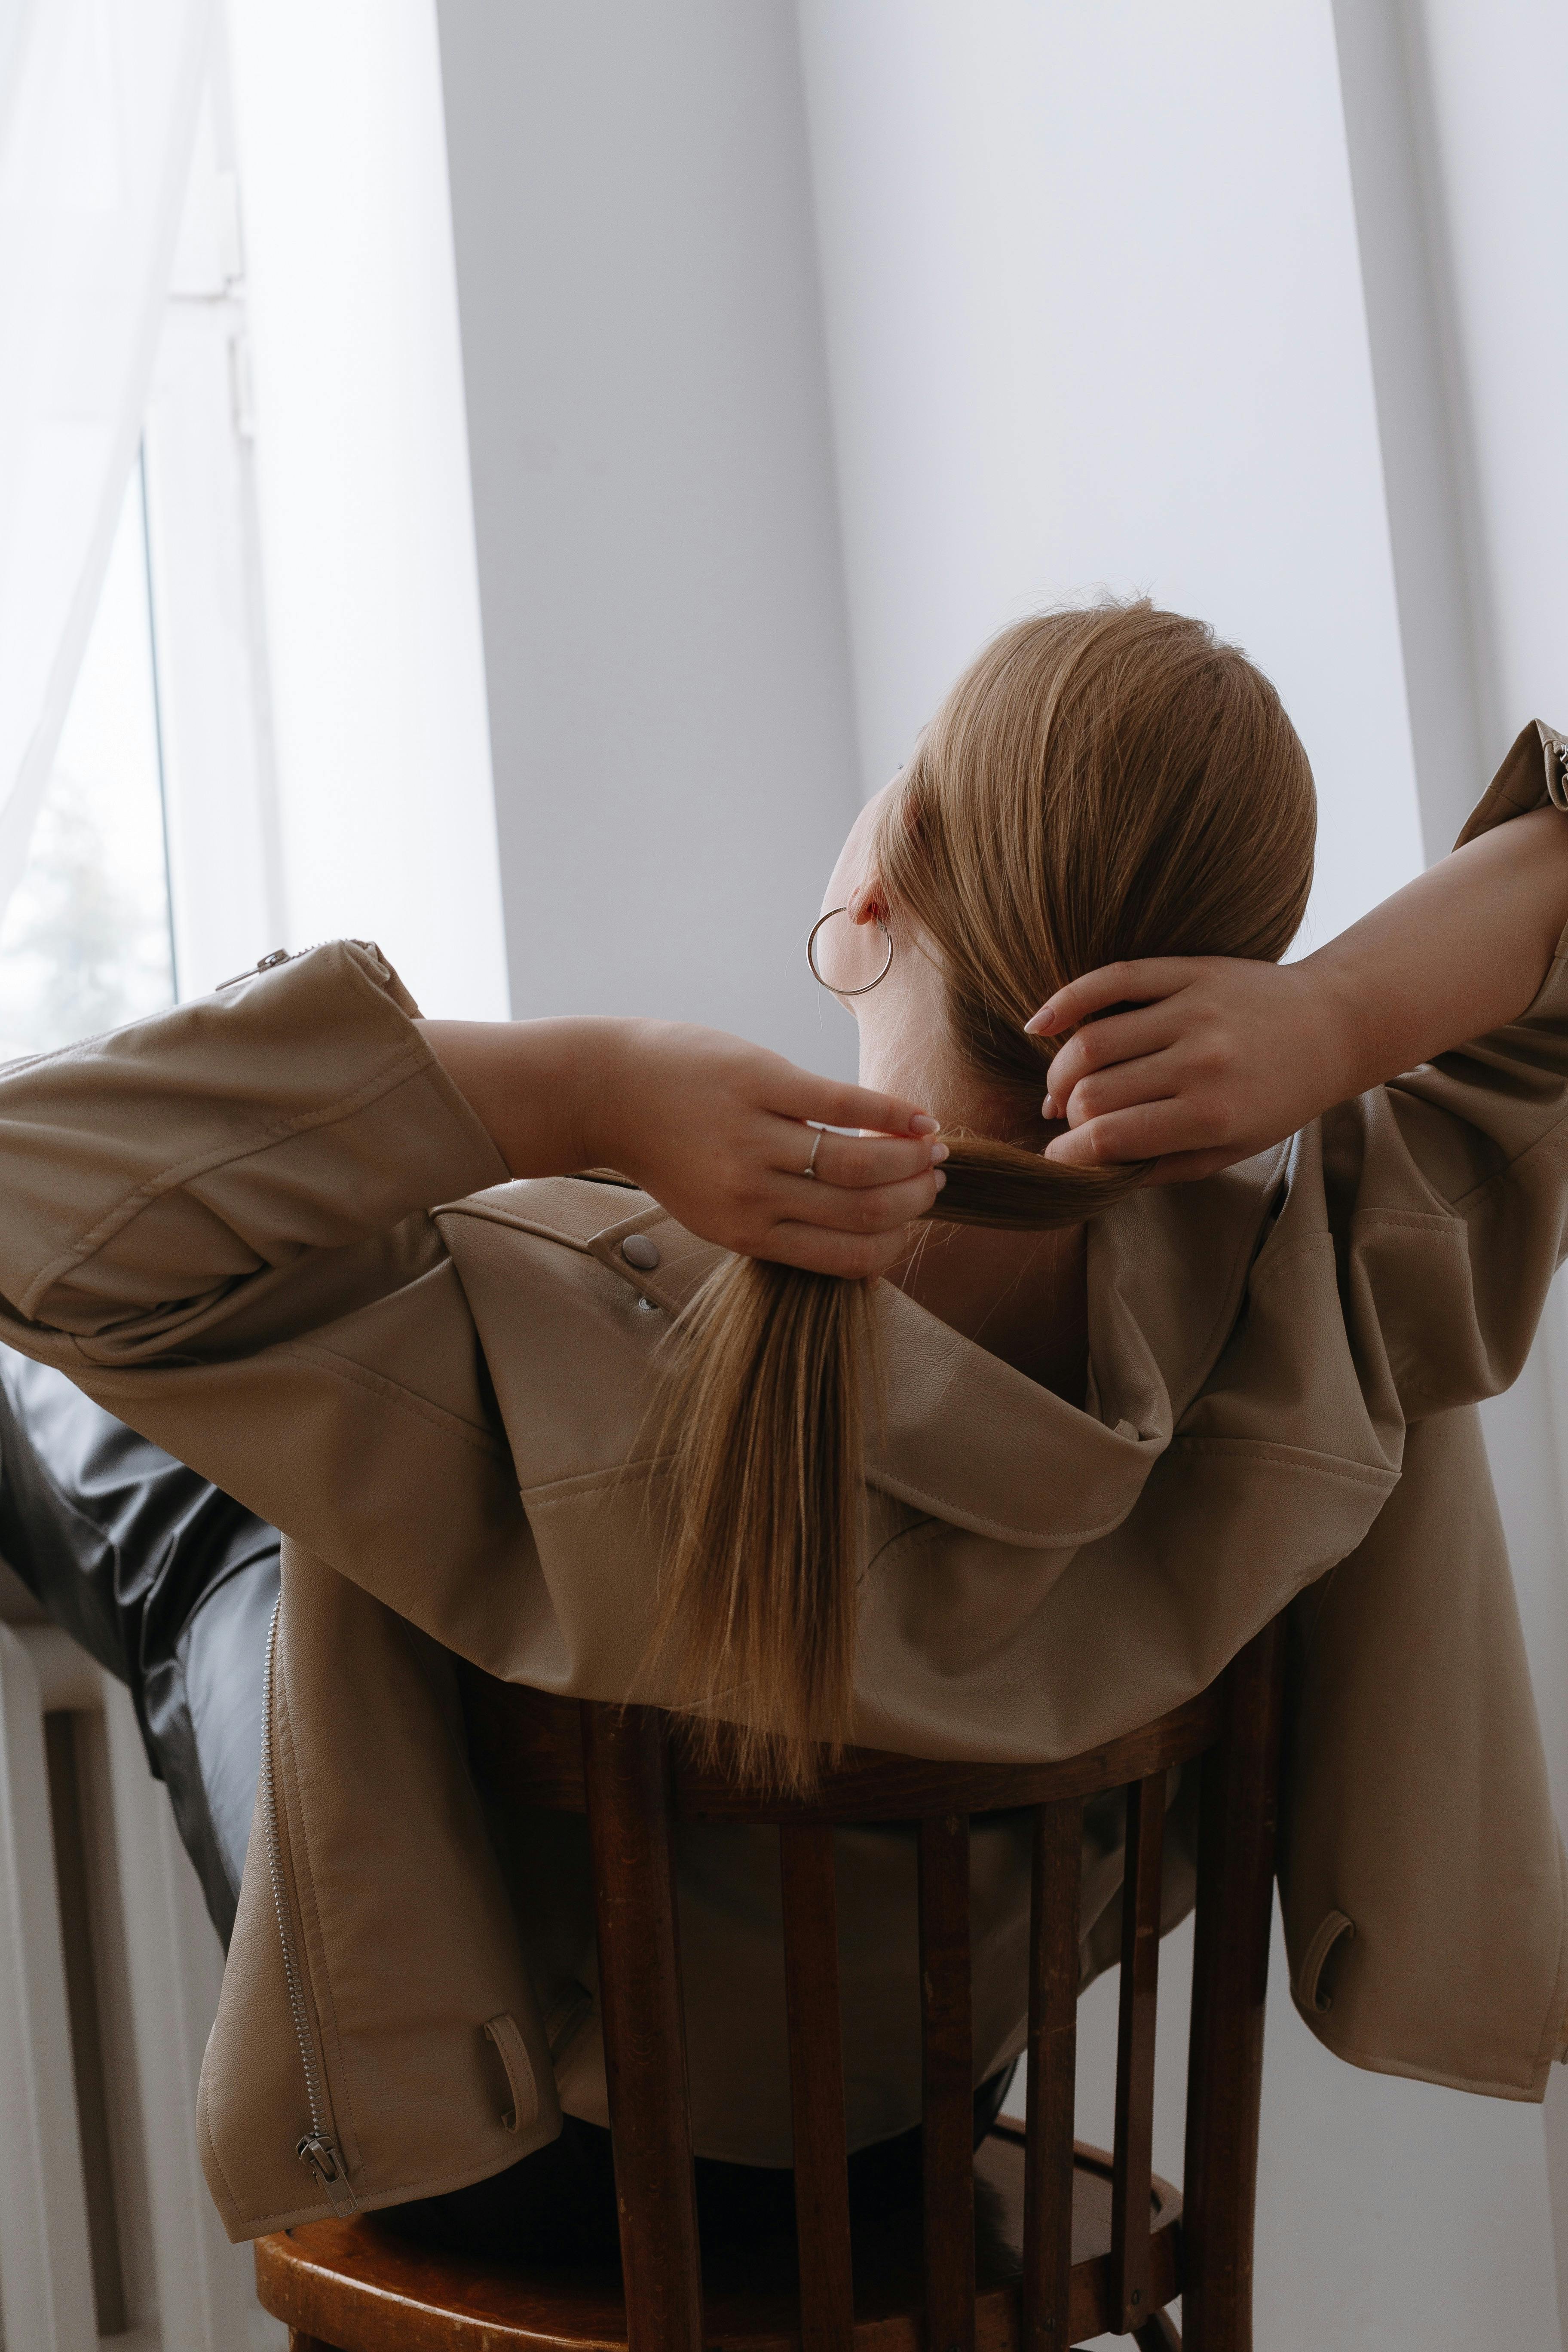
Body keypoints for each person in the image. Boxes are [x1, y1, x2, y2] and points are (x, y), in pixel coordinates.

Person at [0, 599, 1565, 2256]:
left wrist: (581, 1088)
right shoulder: (1317, 1297)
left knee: (178, 1504)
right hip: (908, 2161)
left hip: (521, 2181)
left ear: (877, 894)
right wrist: (1330, 1023)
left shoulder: (568, 1323)